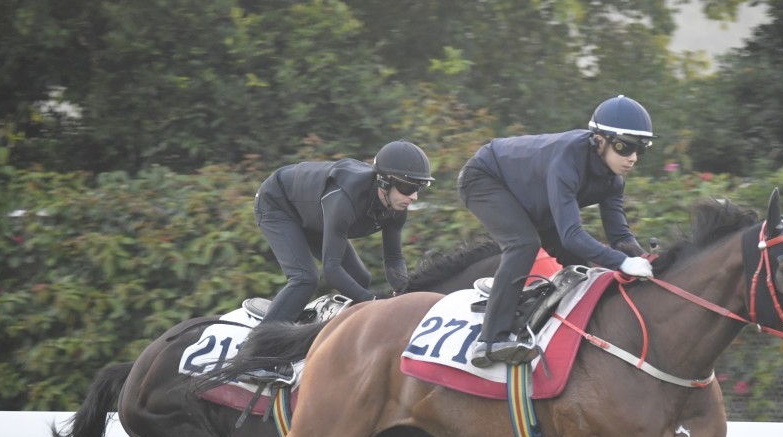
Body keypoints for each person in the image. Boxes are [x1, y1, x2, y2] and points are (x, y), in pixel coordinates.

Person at [457, 95, 656, 368]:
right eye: (625, 147)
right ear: (599, 140)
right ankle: (489, 342)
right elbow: (571, 234)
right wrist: (622, 262)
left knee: (582, 271)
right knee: (524, 244)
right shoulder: (568, 160)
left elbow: (620, 237)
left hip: (531, 196)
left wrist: (646, 260)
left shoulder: (613, 181)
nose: (632, 158)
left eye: (640, 150)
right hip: (485, 177)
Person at [244, 140, 434, 382]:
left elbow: (394, 258)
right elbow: (332, 270)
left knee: (361, 279)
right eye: (408, 187)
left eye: (420, 187)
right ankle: (254, 355)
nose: (414, 196)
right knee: (305, 278)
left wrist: (405, 295)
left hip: (313, 213)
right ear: (384, 182)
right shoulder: (344, 199)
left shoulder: (397, 205)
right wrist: (374, 303)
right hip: (278, 204)